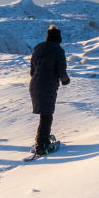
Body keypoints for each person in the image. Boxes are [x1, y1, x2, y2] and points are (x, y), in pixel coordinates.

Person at [29, 24, 70, 155]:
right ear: (58, 38)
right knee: (47, 115)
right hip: (47, 85)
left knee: (44, 114)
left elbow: (32, 70)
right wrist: (65, 80)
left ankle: (41, 139)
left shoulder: (38, 49)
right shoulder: (58, 50)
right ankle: (41, 145)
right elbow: (61, 69)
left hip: (34, 84)